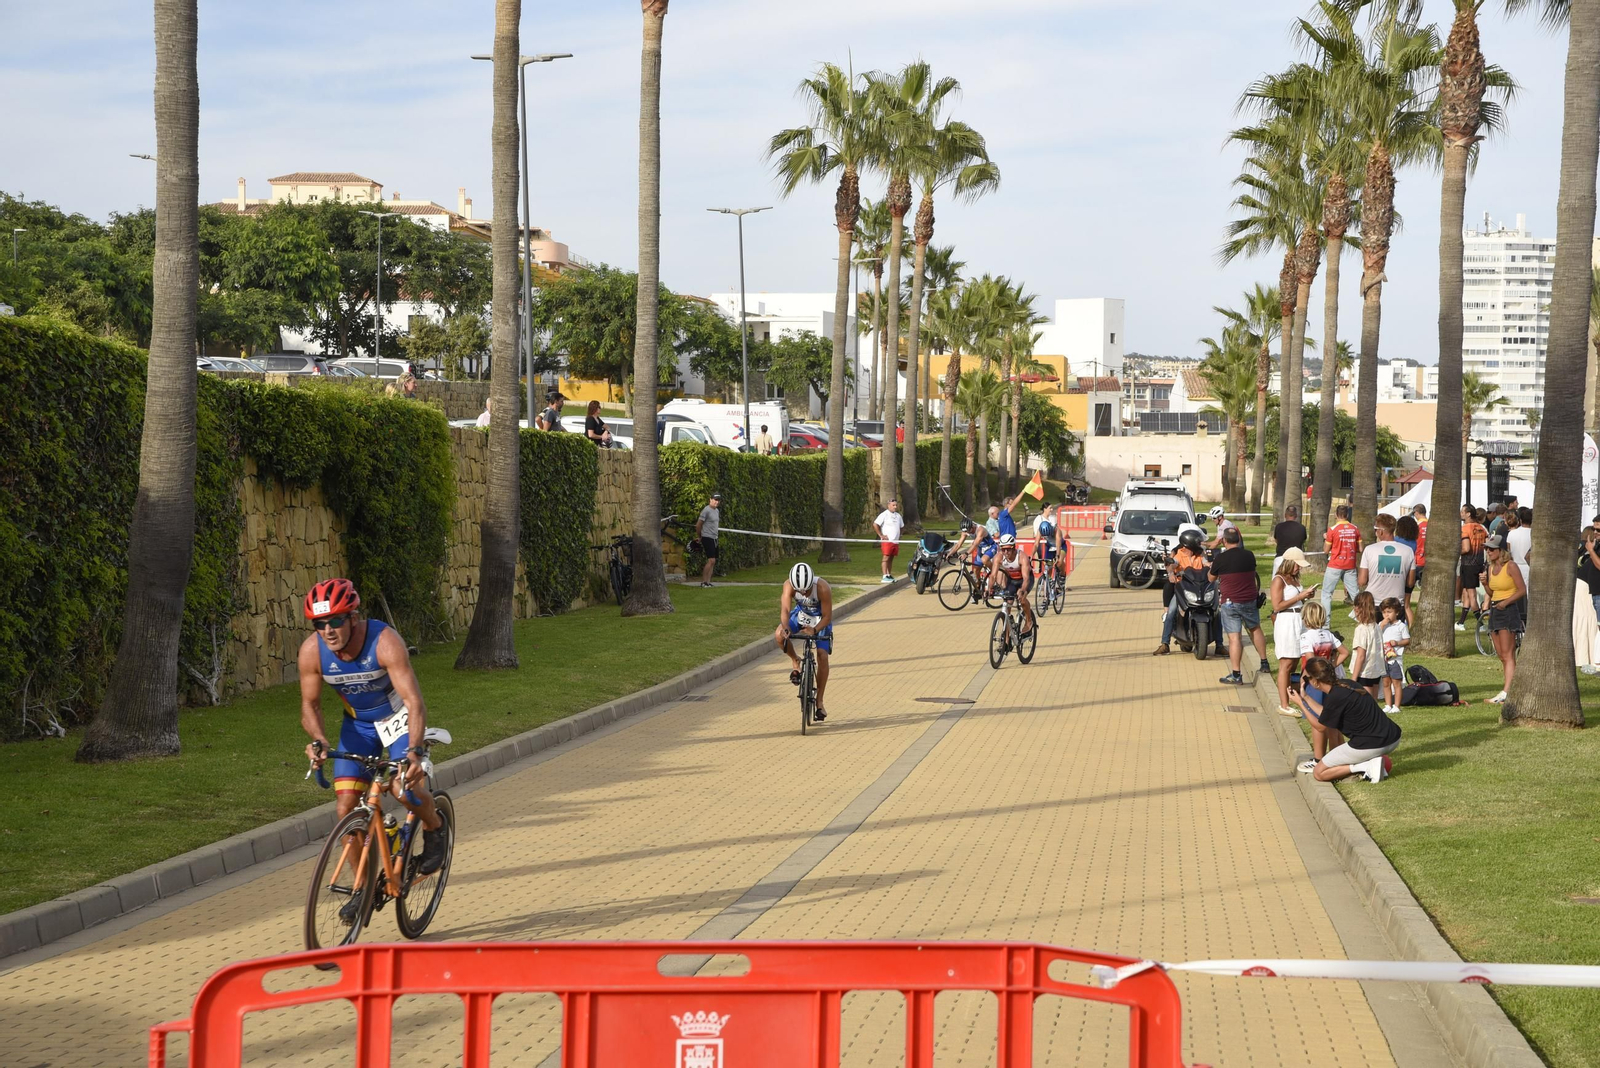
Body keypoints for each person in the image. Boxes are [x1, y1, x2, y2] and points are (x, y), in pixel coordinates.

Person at [299, 579, 447, 895]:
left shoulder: (384, 642)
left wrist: (414, 752)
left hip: (398, 720)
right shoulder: (312, 652)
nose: (328, 630)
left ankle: (435, 828)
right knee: (346, 807)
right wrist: (319, 740)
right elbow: (309, 705)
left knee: (402, 789)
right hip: (359, 726)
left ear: (353, 617)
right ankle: (362, 889)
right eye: (319, 624)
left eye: (335, 621)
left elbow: (414, 702)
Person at [1291, 657, 1401, 783]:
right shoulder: (1348, 684)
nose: (1306, 682)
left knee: (1319, 773)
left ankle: (1365, 767)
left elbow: (1320, 727)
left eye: (1307, 678)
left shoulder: (1334, 697)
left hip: (1373, 744)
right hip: (1393, 738)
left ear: (1315, 682)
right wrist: (1305, 698)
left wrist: (1300, 703)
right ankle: (1371, 763)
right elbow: (1326, 714)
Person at [1211, 525, 1270, 685]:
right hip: (1250, 600)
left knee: (1234, 638)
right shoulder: (1249, 555)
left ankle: (1236, 674)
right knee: (1255, 628)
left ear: (1224, 541)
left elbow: (1211, 578)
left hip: (1230, 603)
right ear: (1238, 539)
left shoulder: (1220, 559)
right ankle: (1264, 662)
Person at [776, 561, 834, 723]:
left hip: (820, 619)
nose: (805, 593)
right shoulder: (788, 586)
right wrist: (786, 628)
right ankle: (796, 661)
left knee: (822, 655)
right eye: (801, 591)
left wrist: (814, 630)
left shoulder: (823, 587)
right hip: (801, 615)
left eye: (807, 590)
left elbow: (828, 616)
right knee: (779, 635)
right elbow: (785, 610)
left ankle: (819, 702)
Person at [1270, 549, 1316, 715]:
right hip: (1287, 622)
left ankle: (1290, 699)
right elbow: (1277, 606)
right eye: (1298, 565)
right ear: (1289, 562)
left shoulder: (1294, 579)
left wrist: (1305, 596)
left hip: (1298, 620)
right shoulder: (1279, 580)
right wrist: (1299, 597)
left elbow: (1294, 601)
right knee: (1286, 663)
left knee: (1294, 662)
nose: (1299, 569)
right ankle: (1284, 703)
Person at [1483, 534, 1526, 704]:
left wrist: (1505, 603)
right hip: (1495, 610)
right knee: (1501, 654)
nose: (1488, 551)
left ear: (1501, 550)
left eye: (1491, 549)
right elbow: (1492, 593)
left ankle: (1507, 692)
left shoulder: (1511, 566)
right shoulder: (1490, 567)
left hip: (1507, 610)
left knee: (1508, 654)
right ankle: (1509, 688)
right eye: (1487, 548)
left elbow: (1522, 590)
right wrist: (1485, 584)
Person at [1153, 523, 1207, 656]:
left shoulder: (1200, 555)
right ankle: (1165, 643)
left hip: (1199, 589)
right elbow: (1172, 564)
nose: (1198, 544)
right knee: (1171, 612)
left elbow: (1207, 564)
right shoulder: (1179, 554)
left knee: (1216, 611)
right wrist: (1171, 572)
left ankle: (1219, 644)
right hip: (1182, 590)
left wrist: (1214, 565)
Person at [1358, 514, 1414, 619]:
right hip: (1397, 604)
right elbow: (1410, 583)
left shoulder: (1369, 550)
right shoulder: (1408, 550)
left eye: (1375, 529)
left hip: (1374, 602)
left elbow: (1362, 581)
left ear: (1381, 531)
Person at [986, 533, 1036, 637]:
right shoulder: (998, 557)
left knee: (1022, 598)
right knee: (1007, 604)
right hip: (1012, 580)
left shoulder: (1022, 557)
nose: (1006, 552)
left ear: (1013, 548)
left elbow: (1026, 579)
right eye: (1003, 549)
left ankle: (1029, 621)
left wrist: (1022, 589)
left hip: (1025, 580)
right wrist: (988, 588)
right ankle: (1007, 638)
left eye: (1008, 549)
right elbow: (993, 576)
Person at [1321, 505, 1362, 616]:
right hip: (1350, 565)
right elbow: (1360, 548)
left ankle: (1325, 623)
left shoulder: (1332, 530)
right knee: (1355, 595)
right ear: (1347, 515)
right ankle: (1363, 618)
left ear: (1336, 515)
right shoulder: (1355, 528)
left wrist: (1327, 539)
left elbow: (1326, 550)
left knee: (1326, 594)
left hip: (1335, 565)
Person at [1347, 591, 1384, 699]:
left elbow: (1361, 655)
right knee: (1374, 704)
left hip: (1364, 673)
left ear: (1358, 608)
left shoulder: (1361, 629)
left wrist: (1353, 678)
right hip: (1376, 670)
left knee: (1365, 704)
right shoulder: (1377, 627)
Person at [1456, 505, 1488, 630]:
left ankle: (1480, 624)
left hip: (1468, 564)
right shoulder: (1481, 528)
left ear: (1468, 514)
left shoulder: (1464, 529)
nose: (1460, 513)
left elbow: (1466, 548)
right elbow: (1486, 544)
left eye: (1462, 511)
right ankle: (1461, 622)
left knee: (1471, 595)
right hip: (1479, 563)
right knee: (1467, 594)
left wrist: (1456, 551)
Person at [1378, 597, 1410, 716]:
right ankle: (1388, 704)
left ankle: (1396, 705)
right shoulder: (1380, 625)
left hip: (1395, 658)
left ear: (1396, 612)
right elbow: (1376, 637)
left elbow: (1407, 640)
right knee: (1386, 682)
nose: (1386, 615)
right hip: (1383, 658)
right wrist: (1381, 625)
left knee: (1396, 682)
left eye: (1389, 612)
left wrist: (1397, 643)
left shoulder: (1401, 626)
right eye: (1384, 612)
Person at [694, 492, 721, 588]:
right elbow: (698, 525)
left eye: (718, 500)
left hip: (715, 538)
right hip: (707, 537)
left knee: (713, 561)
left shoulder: (716, 511)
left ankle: (708, 582)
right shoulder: (706, 510)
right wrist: (700, 536)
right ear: (710, 499)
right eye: (715, 500)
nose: (716, 502)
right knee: (711, 560)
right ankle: (703, 582)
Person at [874, 499, 904, 584]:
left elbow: (902, 527)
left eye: (896, 505)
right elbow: (875, 524)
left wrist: (900, 535)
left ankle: (889, 575)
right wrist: (881, 535)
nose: (895, 507)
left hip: (895, 541)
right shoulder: (884, 515)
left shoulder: (898, 516)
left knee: (891, 558)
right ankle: (884, 576)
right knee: (886, 557)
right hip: (887, 541)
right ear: (888, 505)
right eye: (893, 505)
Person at [1272, 505, 1307, 578]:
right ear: (1296, 515)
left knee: (1277, 581)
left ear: (1285, 515)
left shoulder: (1279, 527)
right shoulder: (1302, 528)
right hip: (1295, 560)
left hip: (1281, 557)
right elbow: (1303, 541)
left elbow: (1276, 540)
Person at [1506, 506, 1533, 590]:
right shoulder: (1534, 535)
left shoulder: (1511, 533)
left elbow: (1509, 551)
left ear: (1520, 520)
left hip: (1515, 566)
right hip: (1529, 567)